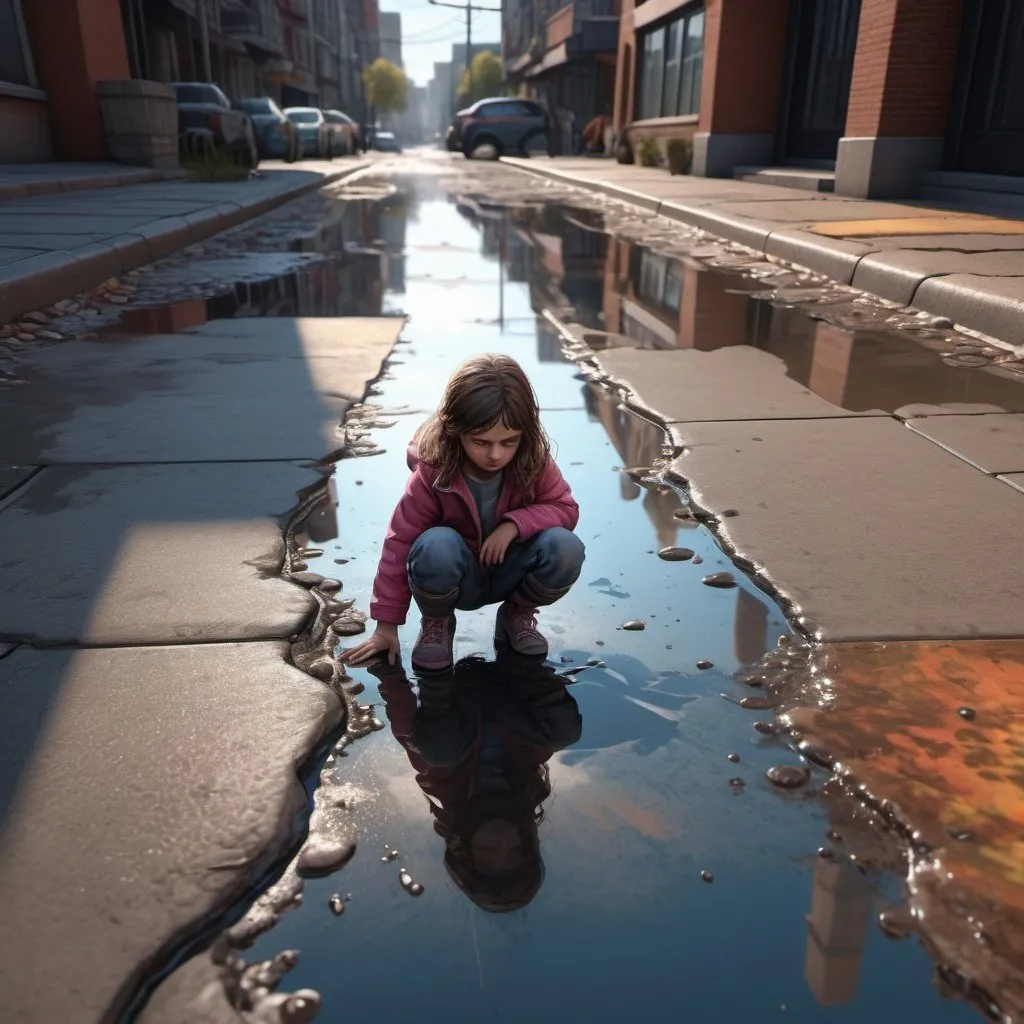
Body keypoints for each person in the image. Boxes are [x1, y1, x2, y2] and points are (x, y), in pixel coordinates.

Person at [342, 353, 585, 673]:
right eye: (481, 442)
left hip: (510, 572)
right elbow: (399, 541)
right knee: (434, 544)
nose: (495, 454)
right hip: (456, 577)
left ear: (525, 433)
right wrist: (386, 626)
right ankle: (437, 623)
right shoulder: (433, 471)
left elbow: (565, 508)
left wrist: (515, 525)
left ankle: (517, 615)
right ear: (455, 429)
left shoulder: (532, 461)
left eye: (508, 442)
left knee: (565, 548)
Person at [370, 653, 583, 912]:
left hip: (455, 690)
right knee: (566, 733)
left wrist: (386, 669)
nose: (503, 840)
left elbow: (405, 723)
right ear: (527, 840)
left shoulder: (444, 782)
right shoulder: (525, 789)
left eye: (489, 848)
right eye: (515, 847)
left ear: (465, 846)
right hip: (509, 687)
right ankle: (522, 653)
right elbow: (541, 739)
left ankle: (434, 662)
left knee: (438, 752)